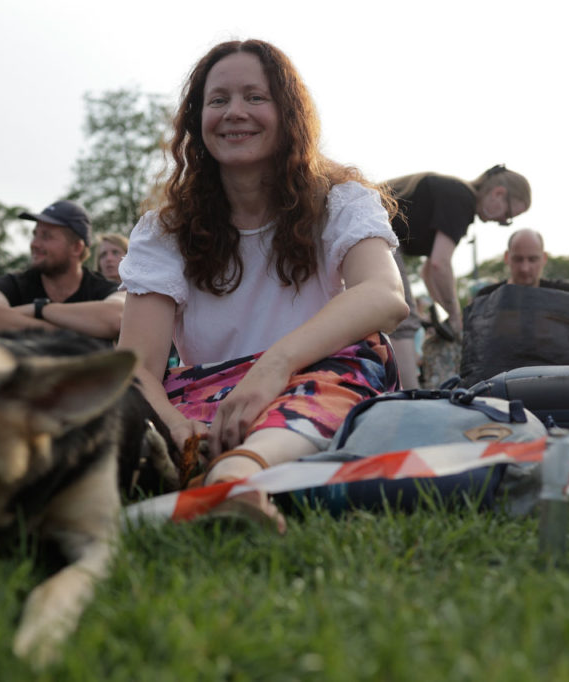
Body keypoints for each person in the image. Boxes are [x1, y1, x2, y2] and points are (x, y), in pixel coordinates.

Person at [117, 39, 407, 530]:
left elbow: (383, 296)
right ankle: (210, 470)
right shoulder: (161, 230)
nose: (235, 113)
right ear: (197, 121)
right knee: (125, 407)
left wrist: (274, 366)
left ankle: (233, 477)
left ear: (289, 113)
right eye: (218, 100)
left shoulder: (341, 201)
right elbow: (139, 368)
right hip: (206, 401)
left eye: (255, 97)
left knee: (358, 359)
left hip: (311, 379)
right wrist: (176, 426)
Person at [385, 166, 531, 387]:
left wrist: (443, 313)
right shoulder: (462, 199)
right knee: (402, 315)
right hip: (379, 233)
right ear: (498, 193)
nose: (502, 221)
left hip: (377, 233)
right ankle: (411, 396)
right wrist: (454, 316)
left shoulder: (455, 195)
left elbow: (428, 272)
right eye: (508, 216)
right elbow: (439, 264)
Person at [0, 200, 124, 340]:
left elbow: (118, 317)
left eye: (46, 236)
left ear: (76, 248)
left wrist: (38, 309)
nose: (34, 244)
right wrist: (80, 333)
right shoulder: (13, 284)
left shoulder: (104, 289)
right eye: (35, 234)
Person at [474, 229, 569, 297]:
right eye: (518, 259)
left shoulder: (565, 292)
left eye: (533, 259)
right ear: (507, 257)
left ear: (544, 258)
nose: (525, 268)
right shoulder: (487, 297)